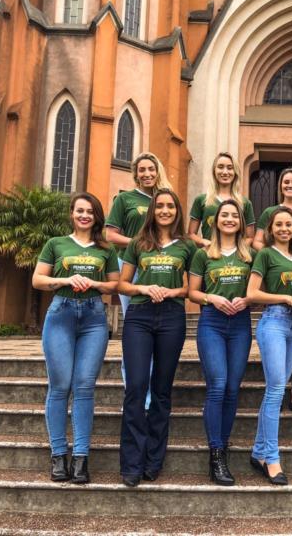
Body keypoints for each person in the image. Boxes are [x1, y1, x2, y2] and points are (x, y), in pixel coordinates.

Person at [33, 193, 120, 484]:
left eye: (90, 211)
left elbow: (114, 284)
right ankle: (59, 456)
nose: (85, 215)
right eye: (79, 211)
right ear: (72, 213)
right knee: (59, 386)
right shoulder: (56, 243)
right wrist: (65, 280)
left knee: (84, 386)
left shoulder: (105, 248)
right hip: (61, 314)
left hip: (94, 317)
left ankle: (81, 458)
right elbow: (38, 279)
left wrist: (94, 283)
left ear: (96, 216)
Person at [118, 189, 194, 487]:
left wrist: (173, 292)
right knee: (136, 387)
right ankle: (131, 463)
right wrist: (144, 289)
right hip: (139, 316)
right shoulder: (139, 244)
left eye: (170, 206)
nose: (165, 210)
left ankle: (154, 460)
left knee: (162, 390)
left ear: (177, 211)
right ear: (152, 210)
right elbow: (122, 284)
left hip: (172, 317)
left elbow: (191, 288)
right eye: (159, 206)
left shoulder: (187, 247)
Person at [189, 200, 254, 486]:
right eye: (224, 215)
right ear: (215, 221)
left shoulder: (250, 255)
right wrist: (211, 297)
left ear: (241, 222)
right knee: (217, 385)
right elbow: (191, 292)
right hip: (212, 323)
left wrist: (248, 299)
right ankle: (215, 454)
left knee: (231, 388)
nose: (229, 219)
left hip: (240, 325)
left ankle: (223, 445)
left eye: (234, 216)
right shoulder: (203, 255)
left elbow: (259, 288)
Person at [247, 207, 292, 485]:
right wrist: (286, 298)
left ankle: (259, 451)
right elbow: (252, 293)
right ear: (271, 229)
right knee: (275, 390)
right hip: (273, 321)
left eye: (289, 224)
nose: (285, 228)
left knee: (277, 388)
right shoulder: (265, 254)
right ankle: (272, 458)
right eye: (279, 225)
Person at [106, 152, 172, 409]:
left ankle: (156, 393)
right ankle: (136, 394)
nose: (147, 174)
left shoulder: (164, 199)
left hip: (160, 267)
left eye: (151, 169)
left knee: (159, 330)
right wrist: (140, 244)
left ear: (158, 171)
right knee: (135, 328)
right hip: (130, 268)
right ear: (135, 174)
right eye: (142, 170)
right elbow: (111, 235)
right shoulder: (125, 199)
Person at [253, 168, 292, 412]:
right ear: (280, 185)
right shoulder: (271, 212)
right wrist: (274, 255)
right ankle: (277, 392)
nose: (290, 185)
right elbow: (257, 241)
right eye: (286, 181)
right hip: (278, 282)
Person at [189, 152, 255, 247]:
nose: (225, 172)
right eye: (220, 167)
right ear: (214, 171)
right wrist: (203, 241)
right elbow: (191, 234)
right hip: (209, 255)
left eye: (230, 168)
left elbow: (250, 237)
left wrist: (238, 250)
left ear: (235, 172)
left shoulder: (245, 203)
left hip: (234, 258)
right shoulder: (202, 200)